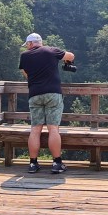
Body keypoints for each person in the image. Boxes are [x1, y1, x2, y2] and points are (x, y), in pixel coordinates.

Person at [18, 33, 75, 173]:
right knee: (53, 128)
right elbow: (71, 56)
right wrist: (66, 62)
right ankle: (56, 163)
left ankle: (33, 164)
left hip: (35, 94)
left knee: (35, 129)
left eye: (27, 44)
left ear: (31, 43)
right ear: (40, 42)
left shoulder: (24, 56)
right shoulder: (51, 50)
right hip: (52, 93)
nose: (27, 47)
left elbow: (26, 74)